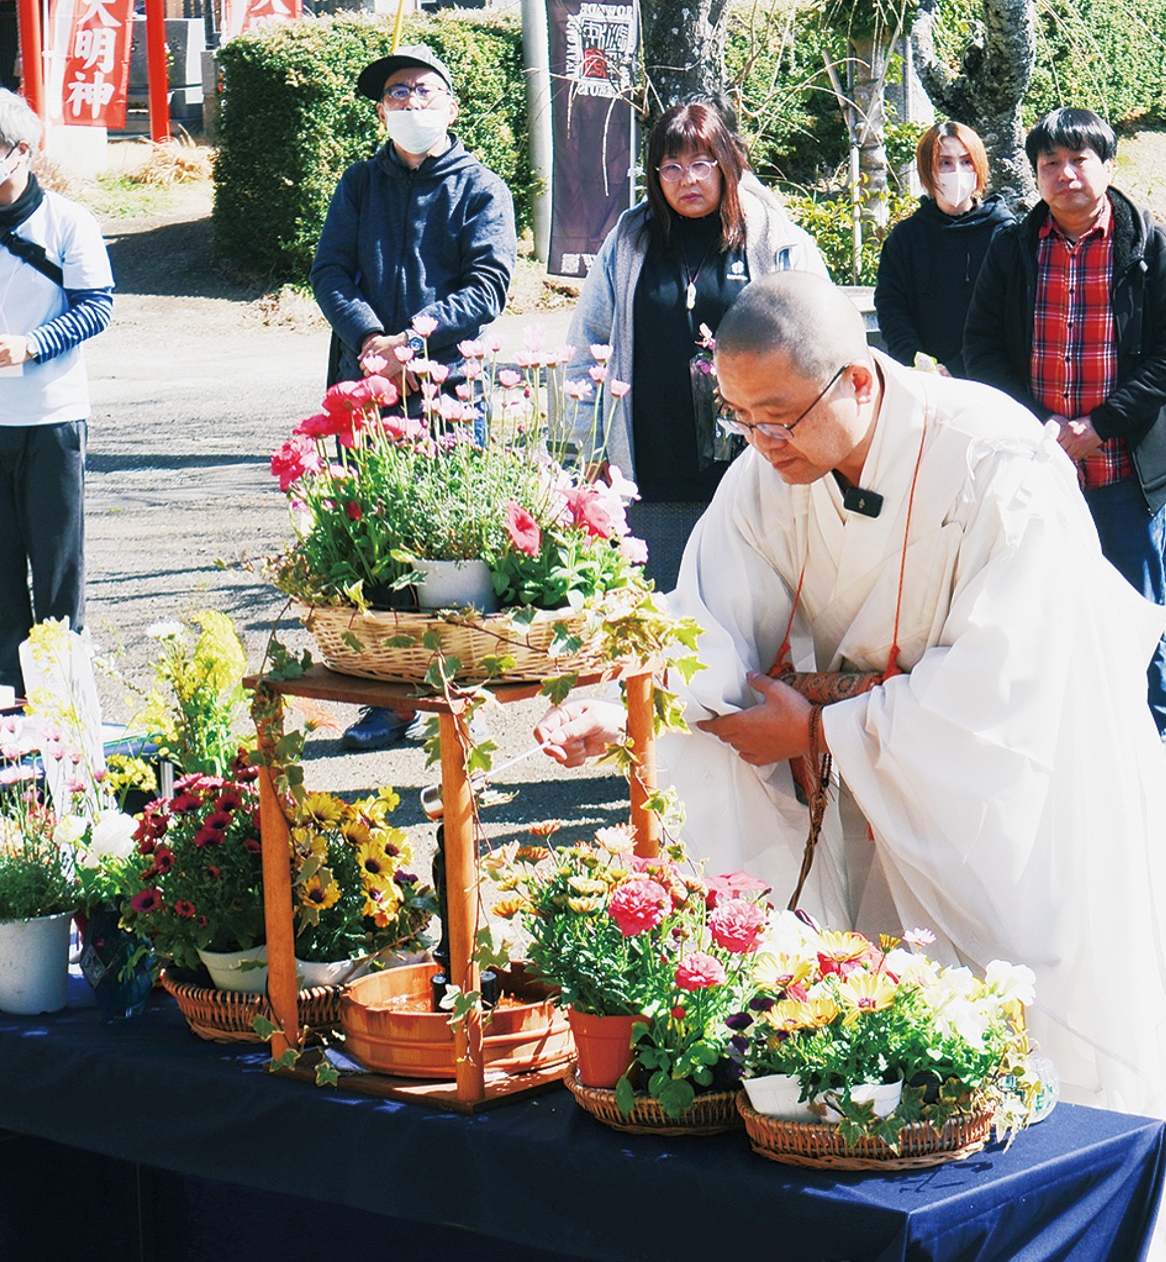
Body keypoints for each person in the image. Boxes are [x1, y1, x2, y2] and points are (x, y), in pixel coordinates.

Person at [536, 270, 1166, 1120]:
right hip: (878, 772)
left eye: (780, 417)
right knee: (876, 1031)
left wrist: (822, 731)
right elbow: (709, 628)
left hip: (1017, 793)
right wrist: (631, 713)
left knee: (1034, 1015)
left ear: (859, 381)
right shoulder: (767, 472)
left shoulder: (997, 462)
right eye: (739, 418)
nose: (762, 442)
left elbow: (1011, 677)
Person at [310, 43, 517, 750]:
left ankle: (459, 694)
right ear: (380, 112)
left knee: (452, 545)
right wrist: (372, 340)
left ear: (451, 106)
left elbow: (488, 285)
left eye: (424, 91)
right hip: (366, 387)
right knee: (373, 540)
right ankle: (390, 699)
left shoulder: (480, 188)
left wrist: (414, 341)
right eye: (397, 93)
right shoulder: (359, 184)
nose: (410, 103)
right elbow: (331, 271)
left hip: (446, 391)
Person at [561, 100, 826, 591]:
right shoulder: (629, 242)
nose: (689, 180)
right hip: (653, 475)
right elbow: (585, 346)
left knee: (749, 611)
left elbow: (822, 343)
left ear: (727, 164)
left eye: (702, 164)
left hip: (755, 472)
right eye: (672, 167)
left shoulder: (774, 239)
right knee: (658, 611)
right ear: (655, 175)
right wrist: (592, 446)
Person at [964, 107, 1166, 739]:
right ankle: (1069, 743)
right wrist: (1040, 425)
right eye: (1050, 163)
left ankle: (1150, 740)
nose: (1065, 174)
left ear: (1108, 164)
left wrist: (1099, 426)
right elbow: (981, 347)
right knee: (1042, 614)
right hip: (1039, 469)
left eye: (1079, 159)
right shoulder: (1013, 248)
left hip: (1123, 474)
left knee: (1139, 616)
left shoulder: (1150, 246)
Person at [0, 85, 113, 696]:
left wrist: (32, 344)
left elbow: (96, 307)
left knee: (57, 567)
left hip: (51, 415)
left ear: (20, 151)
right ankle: (8, 694)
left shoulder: (69, 222)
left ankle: (60, 697)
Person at [873, 121, 1013, 376]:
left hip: (989, 378)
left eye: (966, 161)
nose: (957, 171)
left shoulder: (1004, 235)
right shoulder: (905, 238)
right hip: (923, 379)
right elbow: (892, 307)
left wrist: (956, 368)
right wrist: (918, 363)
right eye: (944, 163)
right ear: (928, 170)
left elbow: (1007, 314)